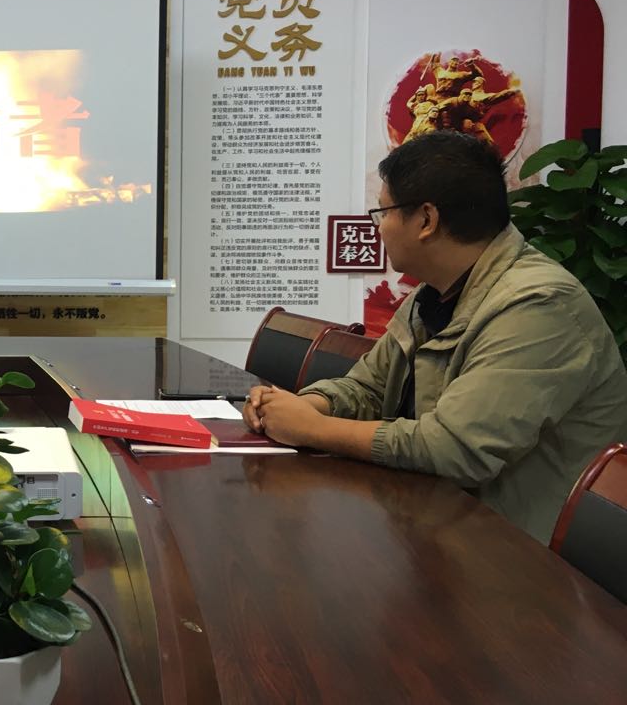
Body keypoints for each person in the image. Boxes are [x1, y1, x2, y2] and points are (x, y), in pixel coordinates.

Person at [245, 131, 627, 543]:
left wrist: (313, 429)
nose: (378, 229)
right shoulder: (434, 294)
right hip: (436, 524)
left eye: (383, 213)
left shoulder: (539, 305)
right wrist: (303, 407)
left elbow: (455, 448)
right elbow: (368, 386)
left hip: (518, 556)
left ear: (426, 220)